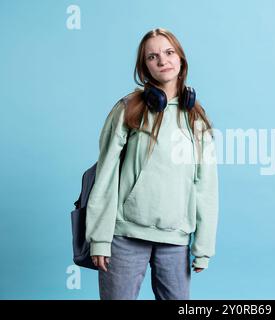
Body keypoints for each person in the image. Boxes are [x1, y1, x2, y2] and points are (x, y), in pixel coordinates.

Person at [85, 28, 219, 300]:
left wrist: (203, 247)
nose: (163, 61)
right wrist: (99, 238)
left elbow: (206, 185)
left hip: (176, 240)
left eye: (169, 53)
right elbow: (106, 174)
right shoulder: (127, 109)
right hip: (124, 237)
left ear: (181, 60)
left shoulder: (196, 119)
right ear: (144, 66)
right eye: (152, 56)